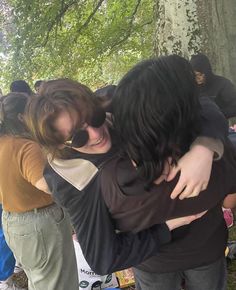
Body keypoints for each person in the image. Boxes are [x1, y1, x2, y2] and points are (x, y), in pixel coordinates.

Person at [0, 93, 79, 290]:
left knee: (40, 279)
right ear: (21, 117)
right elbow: (47, 184)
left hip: (13, 220)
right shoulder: (24, 147)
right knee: (58, 284)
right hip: (40, 224)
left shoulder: (4, 144)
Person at [190, 53, 236, 119]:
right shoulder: (191, 87)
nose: (200, 78)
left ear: (207, 72)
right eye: (196, 75)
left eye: (202, 74)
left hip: (218, 124)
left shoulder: (223, 84)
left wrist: (217, 114)